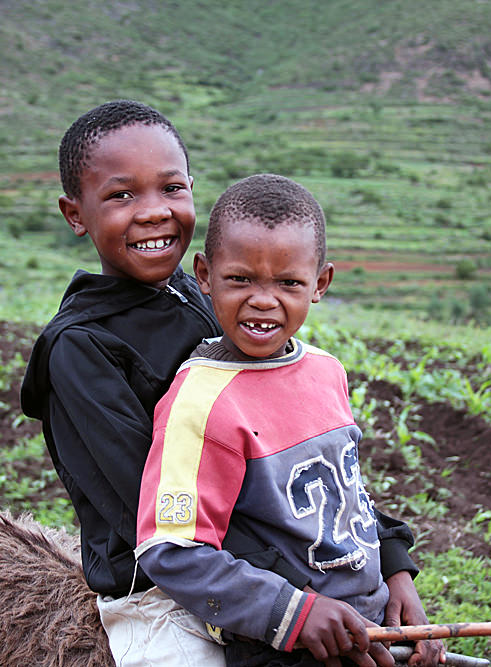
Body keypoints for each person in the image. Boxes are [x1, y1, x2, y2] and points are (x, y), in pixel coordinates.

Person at [21, 101, 431, 666]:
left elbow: (307, 467)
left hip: (281, 571)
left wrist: (387, 559)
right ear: (75, 212)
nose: (153, 213)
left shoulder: (208, 301)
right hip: (171, 586)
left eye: (171, 188)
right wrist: (302, 602)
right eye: (121, 195)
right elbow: (161, 517)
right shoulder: (79, 350)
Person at [135, 174, 445, 667]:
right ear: (204, 275)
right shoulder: (198, 402)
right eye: (240, 279)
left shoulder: (325, 371)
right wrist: (294, 614)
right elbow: (171, 550)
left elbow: (347, 499)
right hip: (281, 645)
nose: (263, 299)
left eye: (289, 282)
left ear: (320, 284)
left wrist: (396, 572)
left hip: (369, 624)